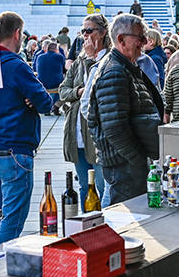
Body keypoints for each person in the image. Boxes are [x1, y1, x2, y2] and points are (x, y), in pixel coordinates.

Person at [88, 14, 163, 205]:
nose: (144, 42)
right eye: (140, 37)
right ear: (121, 39)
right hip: (124, 165)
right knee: (126, 222)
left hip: (128, 163)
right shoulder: (115, 71)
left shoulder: (125, 66)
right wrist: (138, 160)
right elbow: (114, 128)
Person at [0, 11, 53, 244]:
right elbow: (45, 103)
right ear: (17, 34)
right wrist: (30, 97)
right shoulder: (16, 65)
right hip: (16, 147)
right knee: (13, 217)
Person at [59, 14, 108, 210]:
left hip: (96, 134)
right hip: (76, 131)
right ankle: (86, 225)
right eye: (83, 31)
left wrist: (89, 58)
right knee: (83, 186)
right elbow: (63, 90)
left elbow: (94, 89)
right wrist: (78, 91)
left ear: (103, 33)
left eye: (90, 30)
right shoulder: (79, 60)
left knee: (103, 187)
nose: (85, 36)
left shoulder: (108, 58)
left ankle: (106, 226)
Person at [36, 39, 65, 116]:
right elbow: (64, 70)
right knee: (68, 89)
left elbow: (37, 69)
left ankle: (48, 107)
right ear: (56, 49)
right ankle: (56, 105)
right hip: (56, 85)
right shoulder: (59, 57)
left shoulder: (39, 57)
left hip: (42, 85)